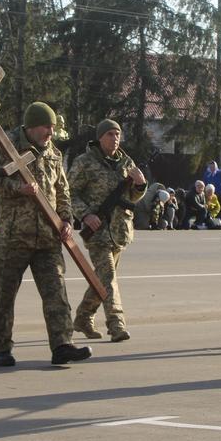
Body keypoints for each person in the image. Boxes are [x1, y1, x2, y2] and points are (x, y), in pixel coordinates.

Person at [0, 102, 91, 367]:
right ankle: (1, 347)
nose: (50, 132)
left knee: (56, 293)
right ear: (30, 127)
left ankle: (62, 344)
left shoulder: (52, 153)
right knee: (5, 295)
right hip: (14, 236)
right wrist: (17, 188)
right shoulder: (4, 148)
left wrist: (66, 218)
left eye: (53, 127)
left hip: (48, 238)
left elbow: (62, 190)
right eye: (45, 126)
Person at [68, 119, 147, 342]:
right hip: (98, 230)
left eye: (118, 134)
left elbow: (132, 196)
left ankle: (83, 317)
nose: (115, 138)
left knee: (102, 279)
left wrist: (140, 185)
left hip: (120, 230)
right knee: (109, 277)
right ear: (100, 137)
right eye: (111, 134)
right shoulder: (84, 162)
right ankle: (116, 323)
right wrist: (85, 214)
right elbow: (69, 193)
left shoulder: (126, 162)